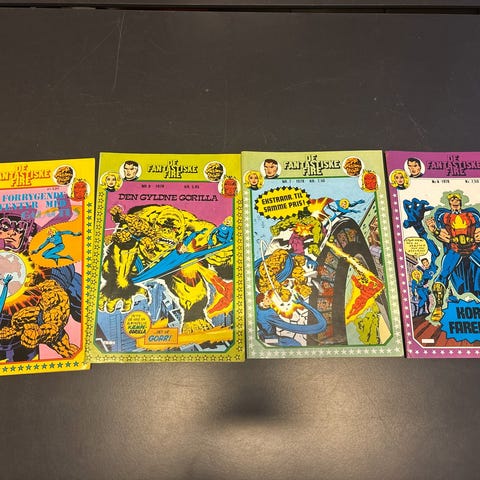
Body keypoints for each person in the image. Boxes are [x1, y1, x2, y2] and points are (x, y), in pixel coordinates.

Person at [425, 192, 480, 322]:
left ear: (460, 202)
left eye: (457, 200)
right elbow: (444, 236)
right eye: (452, 200)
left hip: (472, 248)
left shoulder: (472, 215)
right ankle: (438, 307)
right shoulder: (444, 216)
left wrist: (473, 238)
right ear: (449, 203)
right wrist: (434, 230)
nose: (455, 202)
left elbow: (478, 234)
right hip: (455, 249)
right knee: (443, 274)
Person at [256, 292, 327, 346]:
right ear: (261, 303)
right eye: (266, 299)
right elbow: (289, 327)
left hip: (263, 335)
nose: (269, 299)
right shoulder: (269, 314)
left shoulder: (257, 307)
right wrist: (303, 303)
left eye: (267, 297)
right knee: (296, 345)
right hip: (269, 340)